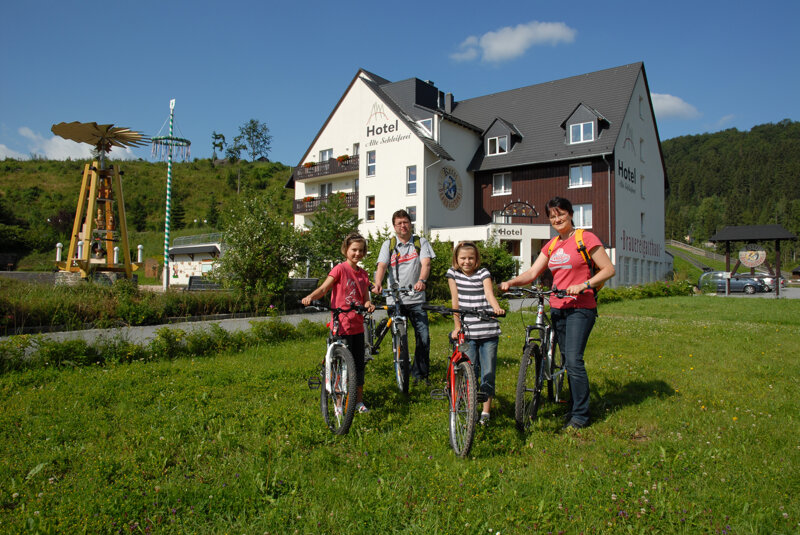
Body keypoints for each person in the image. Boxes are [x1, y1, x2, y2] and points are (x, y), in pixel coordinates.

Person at [499, 197, 615, 430]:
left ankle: (581, 416)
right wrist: (511, 282)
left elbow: (608, 269)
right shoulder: (551, 245)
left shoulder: (585, 238)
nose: (557, 219)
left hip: (581, 307)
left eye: (561, 214)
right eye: (552, 216)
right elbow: (532, 272)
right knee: (567, 361)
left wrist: (584, 285)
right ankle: (573, 407)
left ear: (570, 214)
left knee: (573, 359)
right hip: (558, 308)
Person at [302, 233, 375, 413]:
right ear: (346, 250)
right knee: (339, 366)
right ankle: (338, 402)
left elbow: (365, 299)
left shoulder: (363, 274)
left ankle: (358, 401)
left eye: (361, 250)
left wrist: (368, 305)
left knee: (358, 367)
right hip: (341, 325)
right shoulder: (340, 269)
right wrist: (311, 297)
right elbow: (324, 288)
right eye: (354, 250)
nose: (357, 253)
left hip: (357, 326)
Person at [446, 241, 505, 425]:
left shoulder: (483, 273)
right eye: (463, 258)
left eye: (471, 258)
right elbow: (455, 301)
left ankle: (486, 412)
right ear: (456, 259)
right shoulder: (453, 274)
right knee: (470, 371)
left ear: (476, 259)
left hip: (488, 331)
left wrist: (496, 308)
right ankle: (471, 409)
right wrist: (457, 326)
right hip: (468, 332)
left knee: (488, 372)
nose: (467, 262)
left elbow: (489, 293)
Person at [374, 209, 436, 385]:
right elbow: (382, 266)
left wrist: (422, 280)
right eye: (399, 223)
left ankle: (420, 375)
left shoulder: (420, 242)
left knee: (423, 337)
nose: (403, 226)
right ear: (394, 227)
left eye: (406, 222)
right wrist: (378, 283)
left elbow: (426, 263)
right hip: (395, 299)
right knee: (400, 338)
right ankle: (402, 370)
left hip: (416, 298)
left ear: (410, 224)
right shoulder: (388, 244)